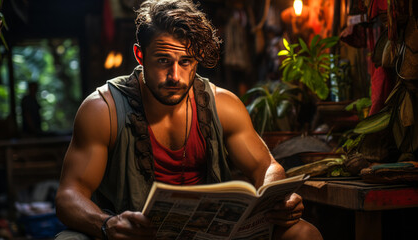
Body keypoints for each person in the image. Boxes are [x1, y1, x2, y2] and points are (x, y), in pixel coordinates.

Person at [55, 0, 323, 239]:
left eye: (186, 62)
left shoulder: (223, 104)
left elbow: (267, 167)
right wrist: (107, 224)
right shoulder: (102, 110)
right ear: (140, 55)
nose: (175, 76)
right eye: (163, 60)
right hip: (135, 235)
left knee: (303, 233)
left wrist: (279, 198)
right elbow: (69, 195)